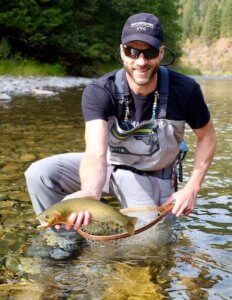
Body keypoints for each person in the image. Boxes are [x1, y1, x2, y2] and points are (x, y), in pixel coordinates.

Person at [25, 13, 217, 232]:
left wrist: (192, 187)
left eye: (150, 52)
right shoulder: (100, 91)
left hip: (152, 175)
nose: (141, 61)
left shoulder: (185, 90)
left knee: (147, 248)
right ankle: (66, 240)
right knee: (39, 173)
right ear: (122, 52)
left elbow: (207, 138)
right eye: (132, 51)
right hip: (108, 166)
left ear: (161, 53)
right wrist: (90, 193)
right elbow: (95, 153)